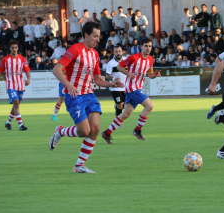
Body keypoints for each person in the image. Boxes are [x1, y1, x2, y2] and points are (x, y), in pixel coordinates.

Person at [48, 21, 123, 174]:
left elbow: (97, 80)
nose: (98, 39)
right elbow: (56, 70)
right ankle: (60, 131)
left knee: (95, 129)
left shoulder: (95, 54)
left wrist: (111, 84)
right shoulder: (75, 49)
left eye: (99, 36)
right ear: (86, 35)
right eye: (95, 36)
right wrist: (68, 85)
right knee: (83, 131)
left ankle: (79, 165)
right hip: (74, 96)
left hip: (89, 95)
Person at [101, 38, 161, 144]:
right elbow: (119, 66)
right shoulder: (133, 57)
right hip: (132, 88)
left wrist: (154, 75)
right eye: (146, 46)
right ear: (141, 47)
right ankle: (137, 130)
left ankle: (107, 133)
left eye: (150, 46)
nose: (148, 48)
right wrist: (128, 74)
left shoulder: (150, 59)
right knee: (149, 106)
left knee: (126, 114)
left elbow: (150, 74)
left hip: (137, 88)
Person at [0, 40, 31, 131]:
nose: (14, 49)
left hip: (20, 85)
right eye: (12, 47)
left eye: (15, 47)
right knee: (16, 102)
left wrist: (29, 79)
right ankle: (20, 125)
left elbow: (27, 70)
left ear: (17, 48)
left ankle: (8, 123)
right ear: (9, 48)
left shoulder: (22, 59)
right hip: (10, 85)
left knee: (16, 105)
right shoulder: (5, 59)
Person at [106, 44, 127, 124]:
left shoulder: (126, 61)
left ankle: (117, 108)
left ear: (122, 52)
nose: (118, 53)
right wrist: (113, 78)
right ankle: (118, 123)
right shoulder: (111, 63)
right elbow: (107, 75)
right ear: (113, 53)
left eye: (119, 51)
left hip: (125, 87)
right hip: (116, 88)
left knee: (126, 106)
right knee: (120, 106)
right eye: (116, 52)